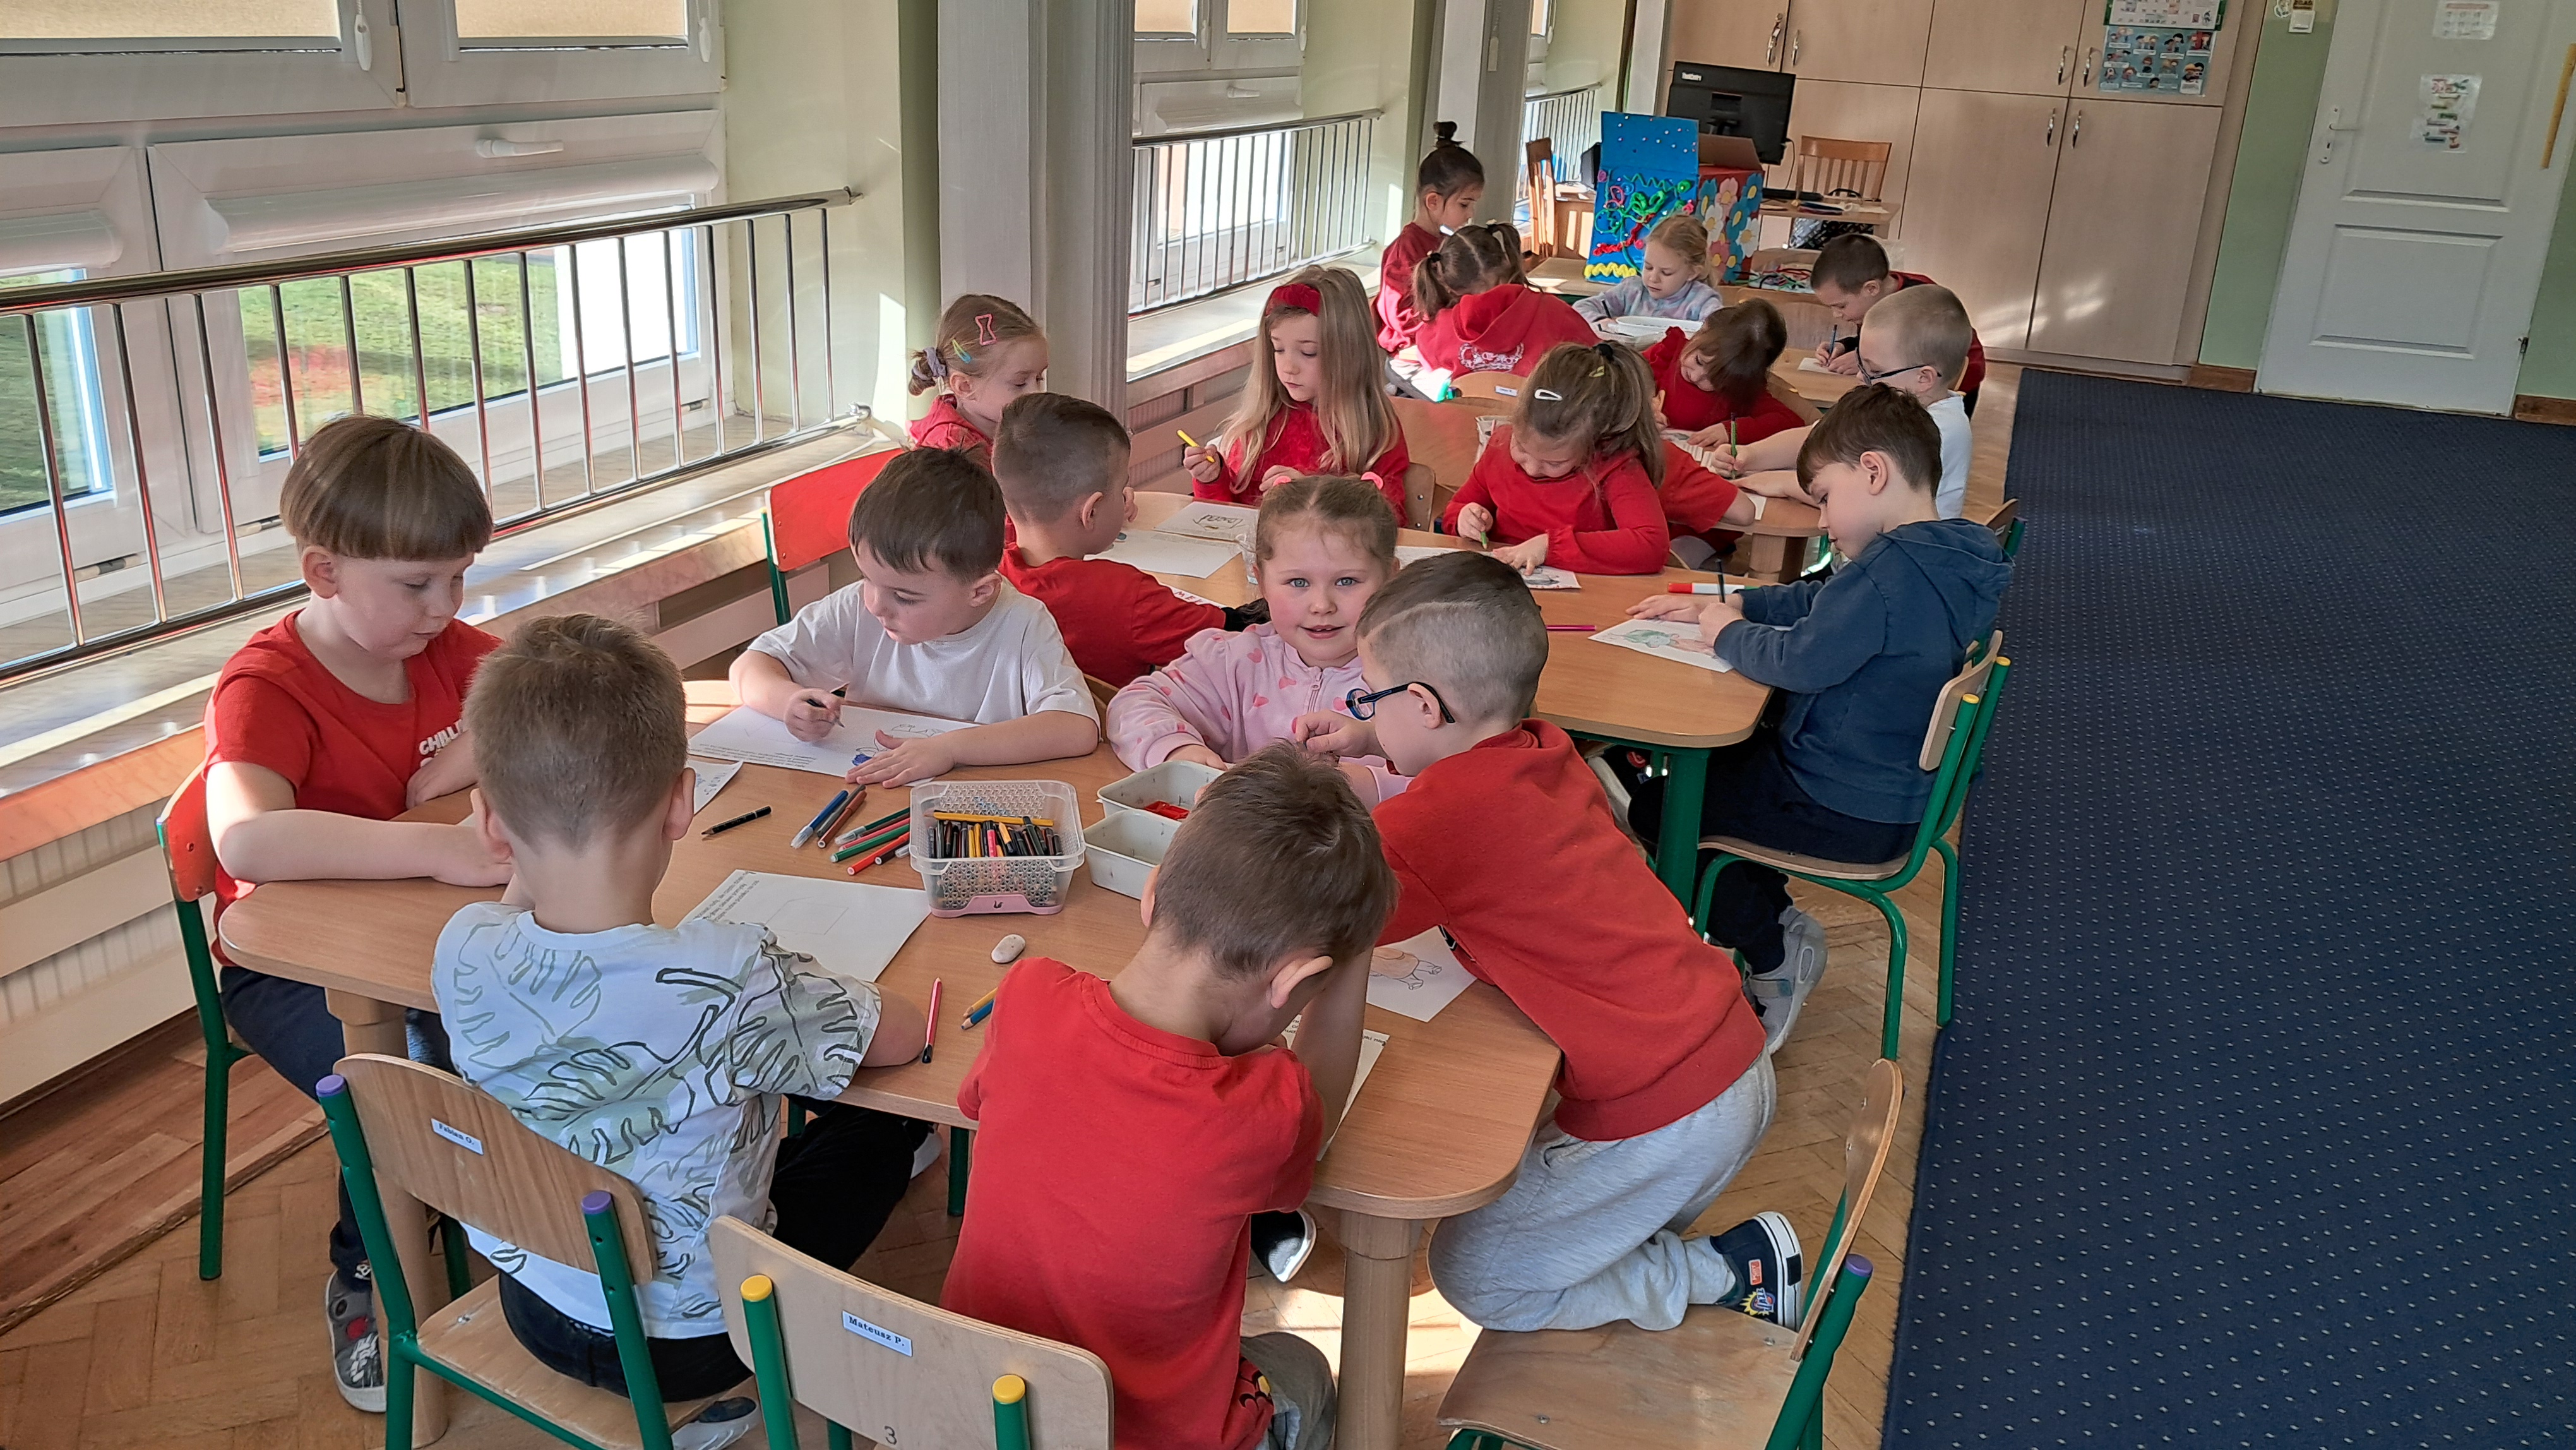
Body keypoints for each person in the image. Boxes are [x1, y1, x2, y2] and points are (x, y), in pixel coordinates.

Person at [435, 614, 930, 1450]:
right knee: (881, 1128)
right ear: (681, 803)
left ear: (489, 824)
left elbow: (520, 918)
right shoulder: (730, 973)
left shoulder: (462, 947)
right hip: (698, 1345)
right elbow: (902, 1036)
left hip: (536, 1302)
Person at [1291, 553, 1804, 1333]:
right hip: (1722, 1054)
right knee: (1567, 1238)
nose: (1365, 709)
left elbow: (1310, 915)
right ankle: (1681, 1266)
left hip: (1670, 1110)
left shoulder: (1438, 821)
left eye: (1369, 694)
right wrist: (1371, 733)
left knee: (1477, 1277)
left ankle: (1730, 1272)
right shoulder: (1542, 747)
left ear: (1424, 705)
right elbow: (1460, 776)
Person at [942, 744, 1392, 1450]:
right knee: (1304, 1366)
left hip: (979, 1406)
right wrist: (1353, 958)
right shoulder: (1265, 1111)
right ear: (1295, 984)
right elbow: (1317, 1115)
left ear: (1151, 895)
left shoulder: (1026, 993)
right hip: (1145, 1436)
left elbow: (986, 1105)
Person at [200, 415, 506, 1414]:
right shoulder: (267, 686)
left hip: (416, 936)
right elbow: (248, 844)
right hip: (286, 967)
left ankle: (503, 1214)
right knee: (396, 1079)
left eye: (459, 578)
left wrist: (454, 767)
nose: (446, 608)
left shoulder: (444, 647)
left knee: (518, 1029)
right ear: (323, 572)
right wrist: (433, 844)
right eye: (418, 584)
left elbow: (540, 692)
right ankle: (367, 1271)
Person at [1618, 385, 2010, 1040]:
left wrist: (1725, 632)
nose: (1823, 521)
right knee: (1723, 772)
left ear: (1874, 471)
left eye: (1825, 497)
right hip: (1894, 793)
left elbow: (1800, 661)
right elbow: (1823, 606)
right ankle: (1775, 920)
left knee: (1664, 810)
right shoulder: (1946, 556)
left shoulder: (1887, 575)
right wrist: (1740, 605)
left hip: (1846, 805)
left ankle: (1772, 956)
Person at [729, 448, 1098, 790]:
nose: (876, 605)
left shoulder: (1023, 624)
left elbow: (1076, 727)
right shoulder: (859, 607)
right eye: (866, 578)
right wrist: (789, 702)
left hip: (973, 807)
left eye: (905, 597)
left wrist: (949, 749)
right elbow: (750, 666)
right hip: (874, 796)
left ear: (980, 592)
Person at [1109, 476, 1407, 806]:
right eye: (1298, 582)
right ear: (1262, 583)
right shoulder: (1232, 661)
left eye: (1346, 581)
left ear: (1391, 579)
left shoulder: (1417, 678)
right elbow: (1133, 704)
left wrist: (1375, 786)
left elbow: (1450, 771)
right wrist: (1180, 752)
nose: (1322, 605)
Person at [991, 393, 1236, 687]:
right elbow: (1233, 638)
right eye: (1122, 489)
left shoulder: (990, 581)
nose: (1126, 498)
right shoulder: (1126, 597)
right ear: (1091, 512)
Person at [1699, 285, 1977, 519]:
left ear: (1924, 378)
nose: (1860, 376)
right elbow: (1818, 437)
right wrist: (1751, 455)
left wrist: (1784, 483)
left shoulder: (1937, 430)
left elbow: (1857, 496)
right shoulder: (1892, 403)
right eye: (1862, 364)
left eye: (1875, 371)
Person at [1187, 268, 1412, 517]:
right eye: (1278, 349)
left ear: (1349, 355)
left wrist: (1314, 497)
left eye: (1308, 353)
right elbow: (1225, 518)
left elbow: (1389, 521)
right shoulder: (1259, 426)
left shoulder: (1373, 430)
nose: (1289, 368)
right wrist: (1212, 480)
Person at [1443, 342, 1673, 575]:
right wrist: (1465, 519)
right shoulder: (1500, 444)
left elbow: (1651, 545)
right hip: (1498, 581)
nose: (1532, 468)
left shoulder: (1616, 468)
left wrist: (1550, 547)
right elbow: (1457, 507)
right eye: (1521, 448)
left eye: (1555, 464)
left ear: (1594, 444)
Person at [1806, 234, 1986, 410]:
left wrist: (1863, 360)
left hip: (1952, 387)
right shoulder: (1875, 289)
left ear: (1871, 289)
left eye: (1841, 306)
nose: (1836, 315)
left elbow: (1922, 354)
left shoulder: (1918, 303)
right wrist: (1845, 346)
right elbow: (1882, 340)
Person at [1410, 221, 1595, 380]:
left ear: (1450, 286)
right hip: (1536, 410)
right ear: (1508, 261)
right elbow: (1595, 361)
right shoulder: (1556, 312)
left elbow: (1432, 372)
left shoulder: (1436, 329)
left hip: (1462, 410)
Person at [1378, 123, 1486, 354]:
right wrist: (1453, 318)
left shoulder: (1448, 242)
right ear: (1433, 201)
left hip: (1443, 341)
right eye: (1464, 204)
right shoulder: (1404, 250)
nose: (1471, 214)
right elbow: (1401, 317)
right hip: (1411, 354)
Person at [1645, 296, 1804, 450]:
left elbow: (1792, 422)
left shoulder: (1739, 392)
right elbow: (1632, 378)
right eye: (1699, 361)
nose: (1695, 376)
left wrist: (1732, 431)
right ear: (1701, 333)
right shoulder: (1669, 351)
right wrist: (1643, 407)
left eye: (1714, 380)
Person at [907, 294, 1047, 467]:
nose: (1036, 392)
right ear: (965, 386)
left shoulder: (1010, 425)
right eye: (1020, 383)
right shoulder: (949, 452)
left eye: (1039, 378)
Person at [1573, 214, 1722, 325]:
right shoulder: (1632, 290)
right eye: (1648, 267)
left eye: (1666, 272)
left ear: (1692, 273)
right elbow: (1581, 307)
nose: (1653, 278)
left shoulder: (1701, 301)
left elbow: (1719, 332)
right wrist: (1602, 322)